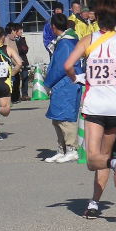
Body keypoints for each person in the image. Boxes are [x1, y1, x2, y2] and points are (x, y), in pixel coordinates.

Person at [64, 0, 116, 218]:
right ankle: (95, 203)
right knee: (103, 155)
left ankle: (115, 162)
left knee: (92, 160)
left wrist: (78, 78)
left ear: (96, 17)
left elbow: (68, 65)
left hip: (95, 105)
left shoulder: (87, 40)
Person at [43, 12, 81, 162]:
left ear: (53, 27)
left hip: (65, 84)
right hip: (65, 83)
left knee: (65, 117)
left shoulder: (65, 43)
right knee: (57, 118)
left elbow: (59, 67)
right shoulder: (70, 40)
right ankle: (62, 149)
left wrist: (47, 83)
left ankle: (71, 149)